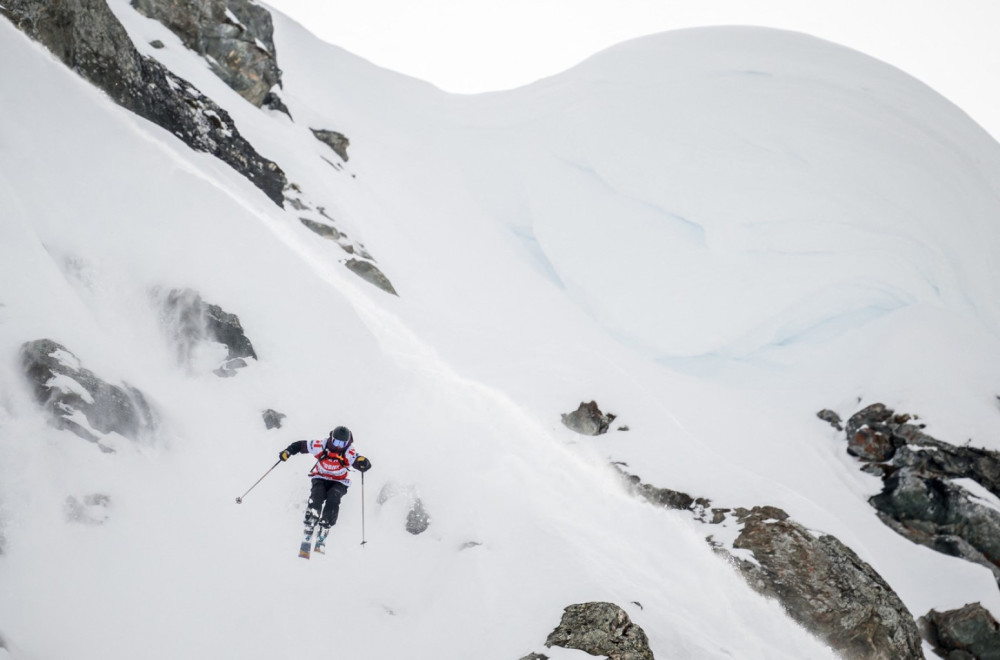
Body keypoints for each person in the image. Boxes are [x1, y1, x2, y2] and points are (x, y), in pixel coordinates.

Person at [280, 425, 371, 553]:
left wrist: (364, 463)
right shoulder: (321, 445)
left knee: (334, 497)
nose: (339, 445)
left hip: (339, 482)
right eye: (336, 442)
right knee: (317, 495)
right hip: (320, 478)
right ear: (331, 438)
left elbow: (360, 462)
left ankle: (325, 526)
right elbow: (301, 445)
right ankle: (311, 520)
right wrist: (288, 451)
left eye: (342, 443)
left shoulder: (348, 451)